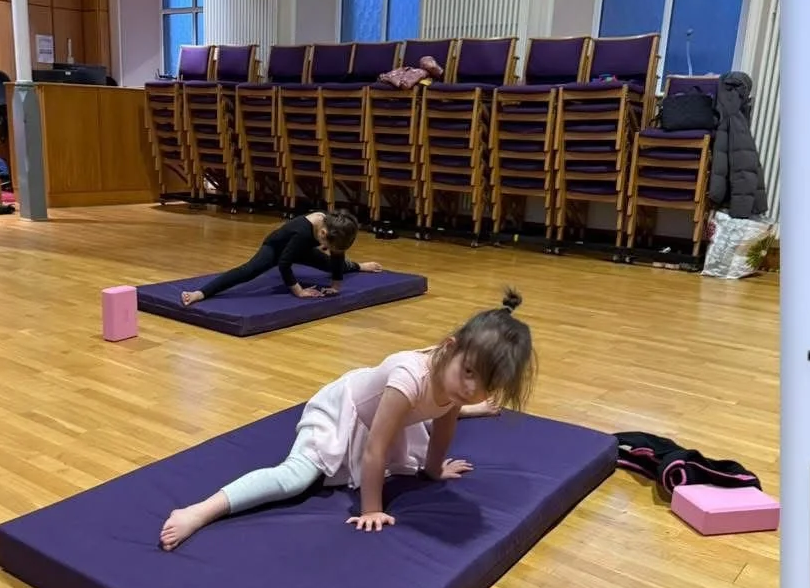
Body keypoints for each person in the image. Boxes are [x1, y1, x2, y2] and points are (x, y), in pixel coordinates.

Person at [159, 288, 535, 551]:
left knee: (443, 415)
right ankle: (199, 511)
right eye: (468, 373)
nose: (471, 388)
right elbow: (376, 450)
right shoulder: (409, 378)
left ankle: (468, 417)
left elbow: (444, 422)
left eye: (486, 386)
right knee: (295, 478)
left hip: (388, 413)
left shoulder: (453, 385)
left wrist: (435, 469)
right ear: (450, 348)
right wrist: (372, 508)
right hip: (345, 410)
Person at [178, 210, 388, 307]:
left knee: (332, 264)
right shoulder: (303, 233)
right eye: (329, 246)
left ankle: (360, 266)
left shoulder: (334, 227)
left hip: (302, 249)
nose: (329, 249)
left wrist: (336, 285)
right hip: (276, 249)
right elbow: (284, 264)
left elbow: (336, 256)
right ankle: (200, 293)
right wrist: (299, 291)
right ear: (323, 234)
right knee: (248, 271)